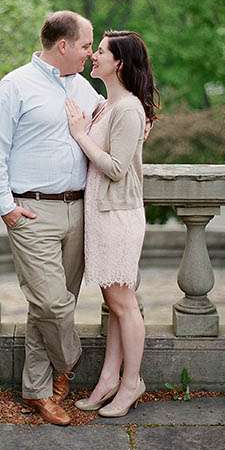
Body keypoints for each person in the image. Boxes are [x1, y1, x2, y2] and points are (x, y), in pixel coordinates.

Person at [0, 10, 104, 426]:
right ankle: (69, 364)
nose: (90, 54)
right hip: (31, 211)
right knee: (54, 304)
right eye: (86, 46)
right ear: (64, 45)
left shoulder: (82, 87)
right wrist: (7, 207)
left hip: (80, 209)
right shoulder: (14, 86)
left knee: (47, 307)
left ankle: (39, 391)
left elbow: (113, 119)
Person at [66, 31, 157, 417]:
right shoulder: (108, 105)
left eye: (100, 52)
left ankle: (131, 382)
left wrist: (80, 136)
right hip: (102, 217)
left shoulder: (128, 109)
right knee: (114, 301)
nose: (93, 56)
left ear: (118, 63)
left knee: (123, 302)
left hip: (118, 216)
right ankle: (108, 379)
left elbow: (117, 169)